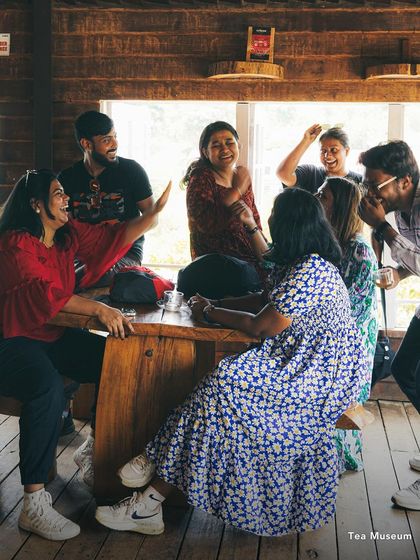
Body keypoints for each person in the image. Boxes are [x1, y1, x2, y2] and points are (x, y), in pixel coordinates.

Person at [95, 187, 368, 538]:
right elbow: (263, 299)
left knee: (224, 384)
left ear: (291, 226)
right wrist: (217, 302)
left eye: (275, 217)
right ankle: (148, 503)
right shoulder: (300, 264)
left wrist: (210, 311)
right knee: (218, 397)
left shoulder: (312, 271)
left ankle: (152, 472)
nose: (270, 221)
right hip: (301, 362)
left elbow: (262, 325)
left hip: (319, 377)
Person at [0, 169, 171, 541]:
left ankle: (92, 446)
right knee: (46, 388)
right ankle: (33, 504)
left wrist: (152, 215)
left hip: (52, 335)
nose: (67, 199)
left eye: (65, 193)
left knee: (115, 361)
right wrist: (98, 309)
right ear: (36, 204)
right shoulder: (15, 244)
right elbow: (42, 294)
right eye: (58, 193)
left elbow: (111, 237)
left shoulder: (66, 236)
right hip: (12, 340)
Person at [356, 141, 420, 510]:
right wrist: (398, 272)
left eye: (375, 185)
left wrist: (382, 226)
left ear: (404, 181)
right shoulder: (406, 212)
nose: (370, 193)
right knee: (404, 369)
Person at [316, 177, 378, 473]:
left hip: (350, 345)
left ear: (339, 206)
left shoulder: (358, 251)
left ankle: (333, 459)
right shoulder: (333, 243)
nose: (316, 198)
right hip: (334, 336)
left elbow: (348, 310)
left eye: (323, 196)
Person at [58, 110, 155, 288]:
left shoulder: (131, 171)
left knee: (99, 276)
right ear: (86, 144)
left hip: (124, 253)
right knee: (62, 277)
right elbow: (63, 225)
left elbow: (152, 218)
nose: (115, 144)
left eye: (115, 136)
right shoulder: (67, 178)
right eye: (106, 140)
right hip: (83, 255)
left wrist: (121, 238)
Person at [183, 121, 269, 281]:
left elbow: (254, 219)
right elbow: (205, 224)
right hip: (218, 264)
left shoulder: (241, 176)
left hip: (249, 258)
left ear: (238, 146)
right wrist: (237, 190)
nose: (224, 149)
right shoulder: (201, 177)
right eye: (216, 145)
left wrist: (266, 254)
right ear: (205, 152)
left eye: (229, 143)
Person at [276, 124, 362, 194]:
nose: (327, 156)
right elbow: (283, 174)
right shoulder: (311, 174)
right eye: (323, 151)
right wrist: (306, 140)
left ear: (346, 151)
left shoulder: (360, 181)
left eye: (334, 150)